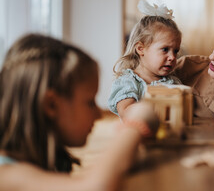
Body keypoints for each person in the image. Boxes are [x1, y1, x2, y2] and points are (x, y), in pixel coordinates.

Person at [0, 34, 159, 191]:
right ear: (51, 105)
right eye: (90, 102)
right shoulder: (6, 175)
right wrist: (134, 126)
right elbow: (95, 187)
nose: (98, 114)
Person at [108, 0, 182, 118]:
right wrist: (157, 103)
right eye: (165, 49)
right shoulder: (129, 82)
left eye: (176, 51)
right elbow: (126, 113)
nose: (172, 57)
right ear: (141, 49)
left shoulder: (173, 82)